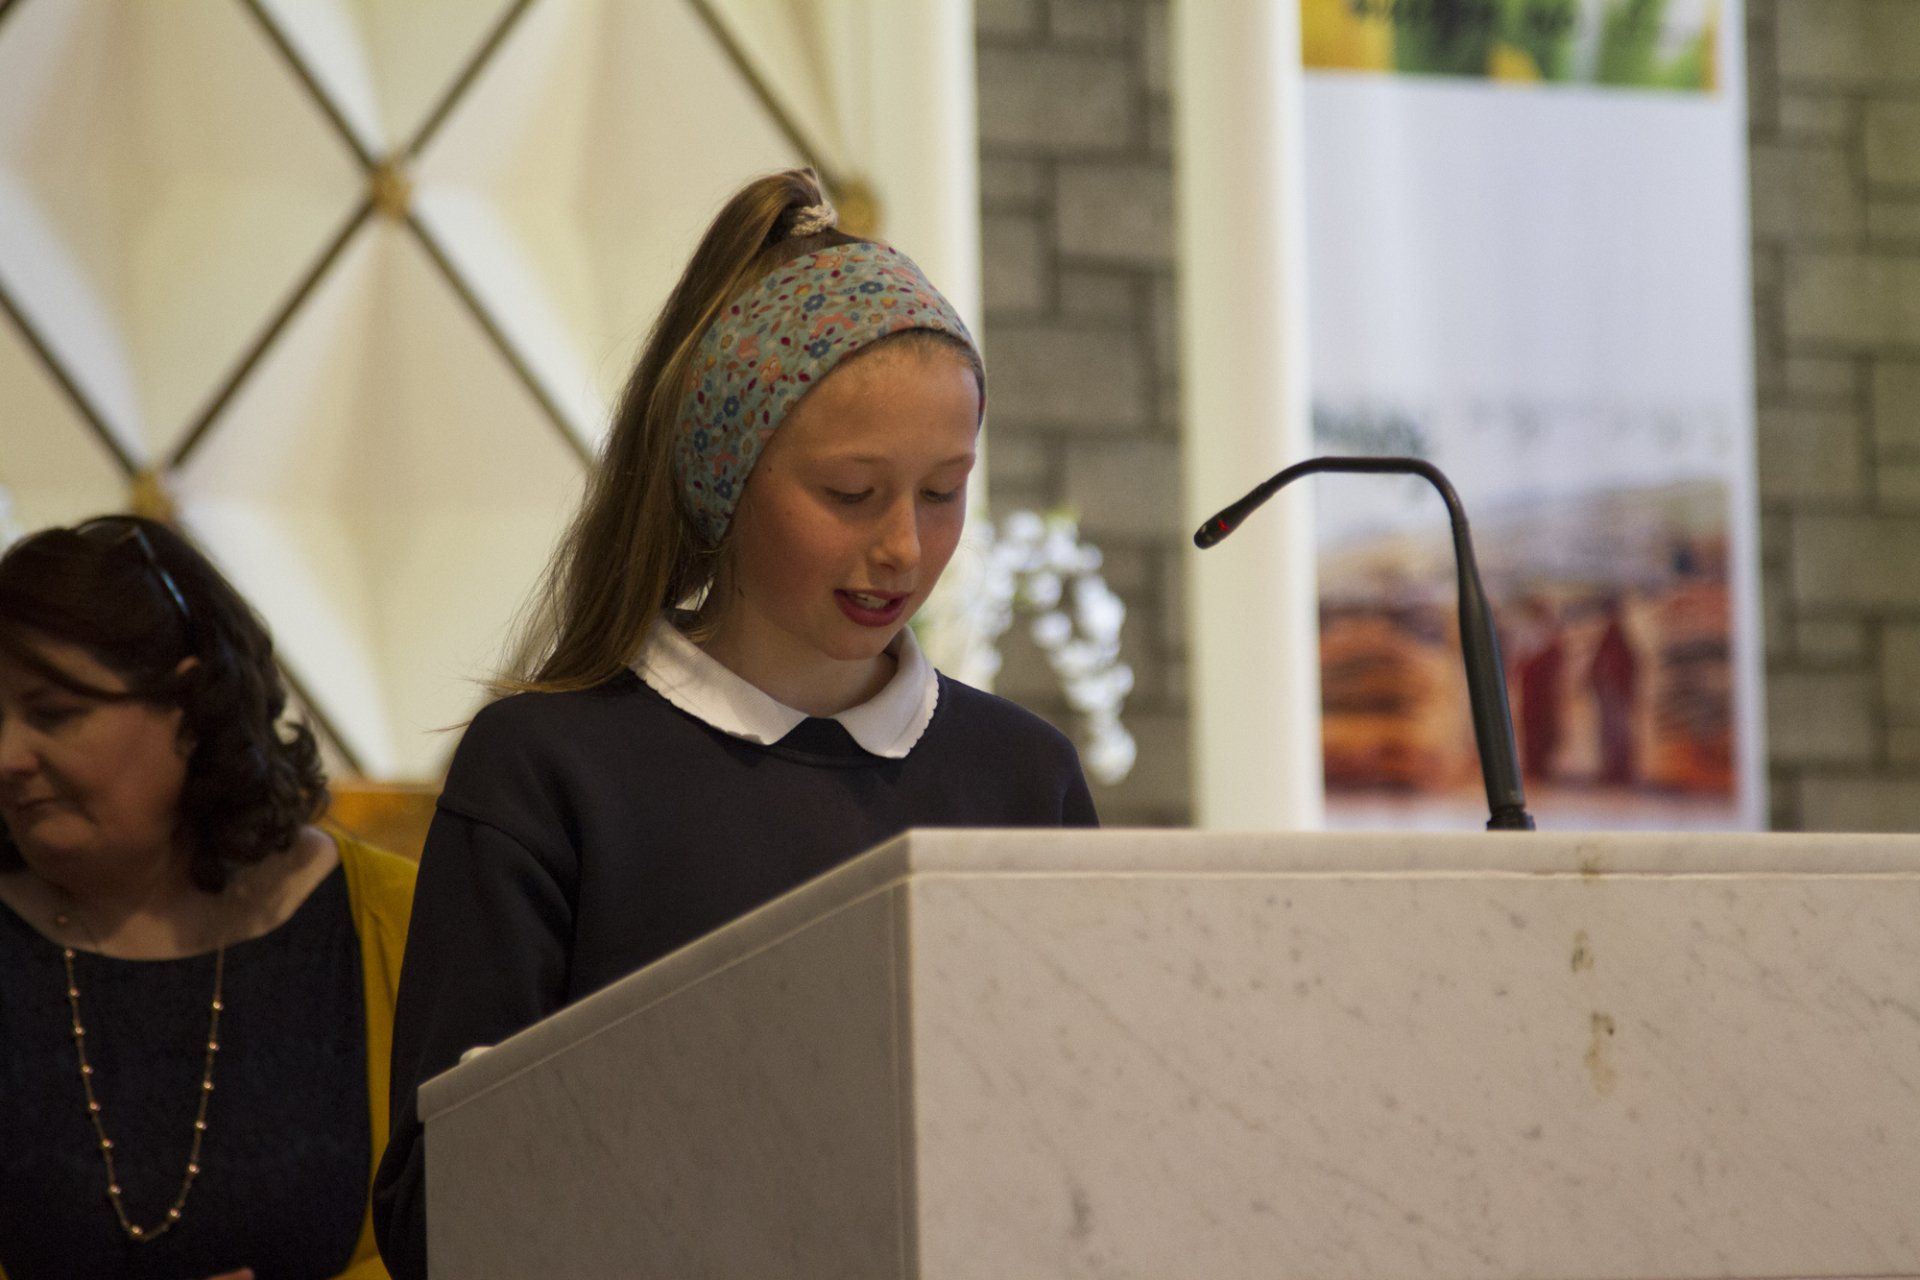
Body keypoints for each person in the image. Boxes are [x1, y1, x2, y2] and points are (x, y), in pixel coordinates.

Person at [372, 168, 1097, 1278]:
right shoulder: (549, 769)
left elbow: (1090, 1146)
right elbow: (437, 1211)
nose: (904, 547)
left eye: (944, 490)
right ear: (722, 479)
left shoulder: (1022, 775)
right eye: (852, 492)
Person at [0, 517, 416, 1280]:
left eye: (52, 713)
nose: (7, 757)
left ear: (190, 706)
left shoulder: (401, 923)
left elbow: (501, 1230)